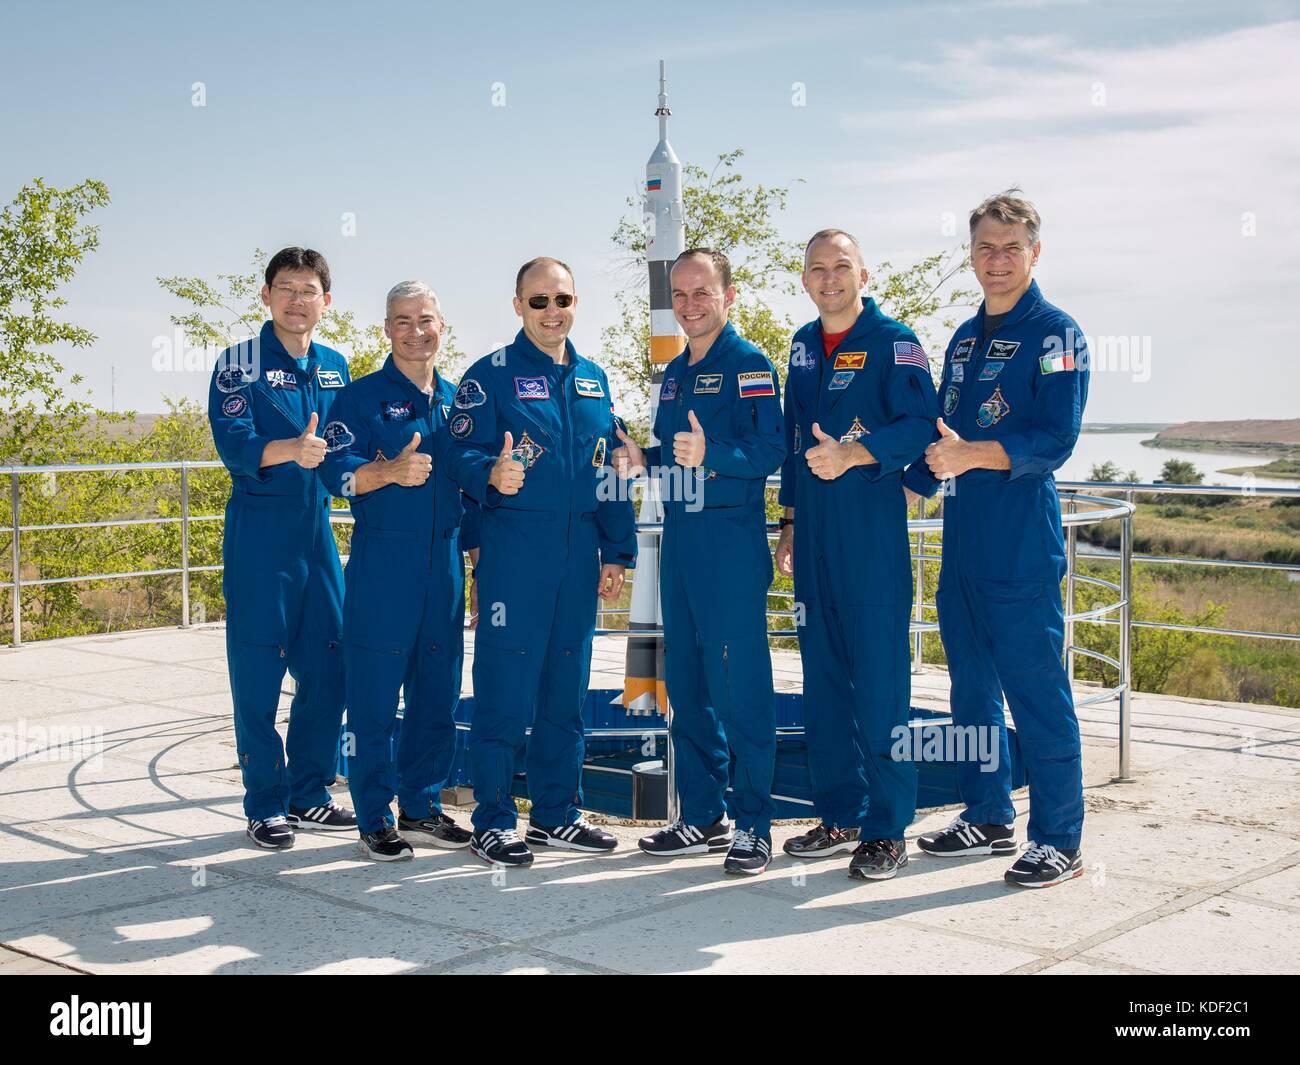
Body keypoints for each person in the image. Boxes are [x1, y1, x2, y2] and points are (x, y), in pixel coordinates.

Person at [903, 191, 1091, 888]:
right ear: (971, 256)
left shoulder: (1056, 335)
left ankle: (1059, 837)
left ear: (1034, 253)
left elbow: (1055, 439)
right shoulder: (963, 339)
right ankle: (986, 813)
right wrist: (895, 490)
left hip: (1021, 549)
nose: (998, 260)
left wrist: (975, 455)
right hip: (965, 552)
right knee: (971, 692)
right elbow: (941, 438)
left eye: (1012, 247)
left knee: (1038, 694)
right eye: (986, 247)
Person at [437, 257, 636, 866]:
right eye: (540, 300)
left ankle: (557, 815)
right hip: (515, 554)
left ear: (576, 304)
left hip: (580, 557)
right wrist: (488, 473)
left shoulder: (595, 380)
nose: (554, 311)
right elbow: (455, 453)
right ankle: (494, 819)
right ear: (518, 305)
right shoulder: (488, 376)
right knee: (504, 687)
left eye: (563, 299)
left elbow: (611, 467)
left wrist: (618, 549)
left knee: (565, 690)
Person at [614, 249, 785, 875]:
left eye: (701, 292)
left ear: (728, 295)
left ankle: (754, 825)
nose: (690, 305)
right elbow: (673, 457)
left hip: (730, 549)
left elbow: (771, 450)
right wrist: (644, 462)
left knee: (742, 690)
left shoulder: (751, 366)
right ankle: (703, 815)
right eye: (679, 295)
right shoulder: (675, 373)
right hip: (681, 546)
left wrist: (715, 455)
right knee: (687, 685)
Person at [775, 229, 938, 880]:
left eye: (841, 266)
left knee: (879, 683)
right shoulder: (802, 346)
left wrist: (856, 454)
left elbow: (922, 425)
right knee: (823, 684)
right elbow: (793, 438)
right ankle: (840, 814)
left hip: (869, 530)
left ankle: (887, 826)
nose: (830, 277)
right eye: (818, 268)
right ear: (805, 279)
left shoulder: (895, 342)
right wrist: (787, 522)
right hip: (812, 533)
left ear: (863, 273)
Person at [318, 281, 475, 861]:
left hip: (446, 560)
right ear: (386, 328)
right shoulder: (358, 398)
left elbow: (476, 491)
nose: (416, 331)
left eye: (426, 319)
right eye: (403, 320)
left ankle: (422, 806)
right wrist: (387, 472)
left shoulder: (461, 401)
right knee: (375, 697)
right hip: (384, 561)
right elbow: (331, 475)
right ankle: (374, 815)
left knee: (437, 693)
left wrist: (479, 564)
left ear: (442, 326)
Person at [207, 246, 356, 849]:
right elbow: (234, 441)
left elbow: (349, 445)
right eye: (286, 288)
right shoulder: (237, 363)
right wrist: (290, 448)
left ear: (326, 300)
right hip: (260, 535)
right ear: (266, 294)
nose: (299, 300)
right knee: (258, 668)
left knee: (330, 664)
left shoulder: (335, 366)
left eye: (309, 290)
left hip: (316, 534)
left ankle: (310, 791)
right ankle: (265, 802)